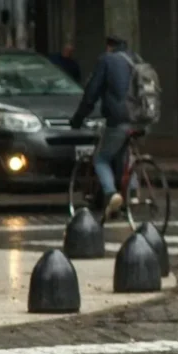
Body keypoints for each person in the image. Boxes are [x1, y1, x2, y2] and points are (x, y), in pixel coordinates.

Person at [70, 35, 136, 223]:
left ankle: (111, 193)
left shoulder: (106, 60)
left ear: (109, 46)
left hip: (119, 119)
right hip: (141, 119)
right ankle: (132, 192)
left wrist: (78, 118)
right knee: (124, 153)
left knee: (101, 158)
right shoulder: (136, 60)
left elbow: (92, 92)